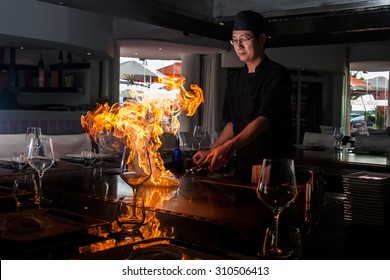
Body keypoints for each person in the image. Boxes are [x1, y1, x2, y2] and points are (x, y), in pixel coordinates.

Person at [192, 10, 294, 182]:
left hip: (272, 166)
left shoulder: (277, 75)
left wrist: (229, 148)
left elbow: (263, 120)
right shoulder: (234, 79)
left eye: (244, 39)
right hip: (244, 166)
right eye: (235, 40)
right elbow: (233, 123)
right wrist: (212, 150)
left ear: (261, 39)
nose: (238, 46)